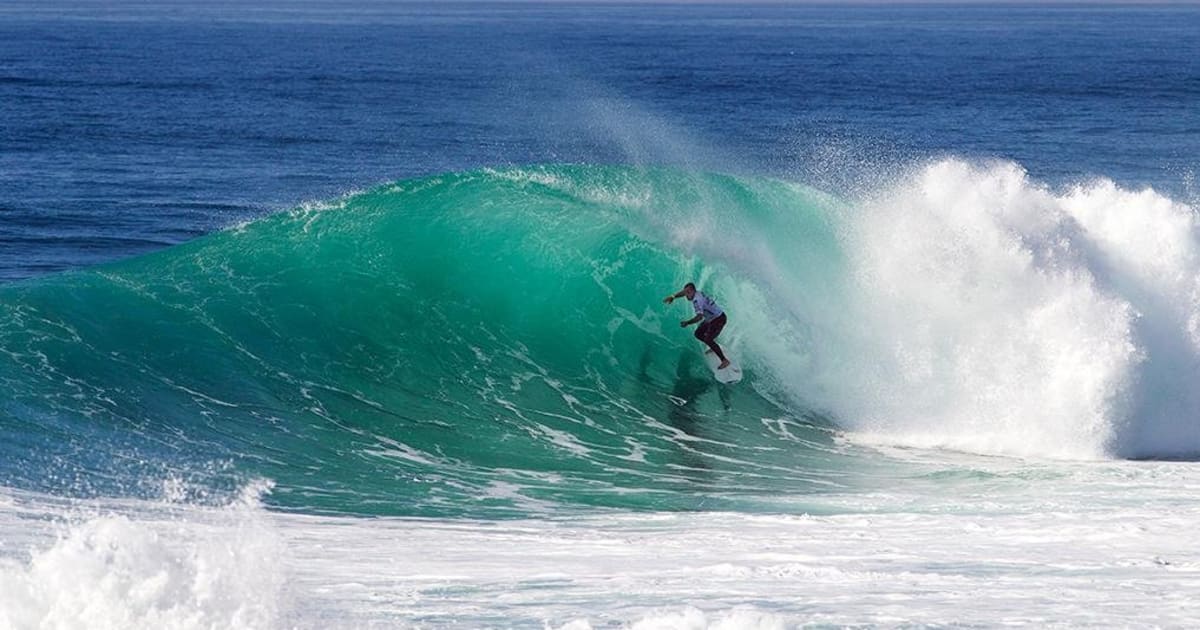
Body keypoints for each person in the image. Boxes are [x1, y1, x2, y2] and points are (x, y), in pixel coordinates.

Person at [663, 282, 730, 369]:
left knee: (708, 339)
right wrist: (673, 296)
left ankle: (724, 360)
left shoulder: (697, 300)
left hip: (718, 319)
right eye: (685, 293)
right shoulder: (696, 292)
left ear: (692, 291)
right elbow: (683, 292)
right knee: (698, 334)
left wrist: (687, 322)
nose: (686, 296)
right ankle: (713, 346)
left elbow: (699, 317)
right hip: (711, 318)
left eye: (687, 293)